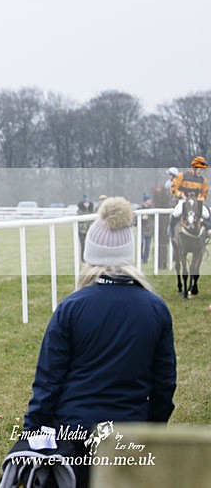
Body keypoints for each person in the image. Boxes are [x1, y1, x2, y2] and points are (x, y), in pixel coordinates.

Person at [22, 197, 176, 488]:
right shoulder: (156, 309)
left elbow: (47, 384)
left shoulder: (71, 307)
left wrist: (30, 437)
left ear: (90, 254)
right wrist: (151, 433)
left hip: (72, 438)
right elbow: (164, 386)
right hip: (130, 433)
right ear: (129, 254)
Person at [168, 155, 210, 236]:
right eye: (200, 169)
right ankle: (171, 229)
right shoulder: (182, 176)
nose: (201, 172)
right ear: (194, 168)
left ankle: (208, 231)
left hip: (196, 202)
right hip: (184, 200)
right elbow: (173, 189)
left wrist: (201, 198)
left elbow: (205, 193)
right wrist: (180, 194)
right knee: (176, 212)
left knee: (206, 213)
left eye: (202, 170)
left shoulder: (203, 180)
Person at [76, 195, 95, 261]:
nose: (87, 204)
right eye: (85, 203)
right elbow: (78, 222)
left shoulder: (91, 211)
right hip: (81, 231)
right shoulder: (79, 212)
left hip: (89, 231)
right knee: (83, 245)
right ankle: (83, 258)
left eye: (87, 203)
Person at [140, 193, 154, 264]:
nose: (150, 201)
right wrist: (142, 218)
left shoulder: (152, 209)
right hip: (142, 230)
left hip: (149, 231)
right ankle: (141, 257)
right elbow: (135, 221)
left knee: (148, 246)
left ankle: (145, 259)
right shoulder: (140, 208)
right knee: (141, 244)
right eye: (149, 200)